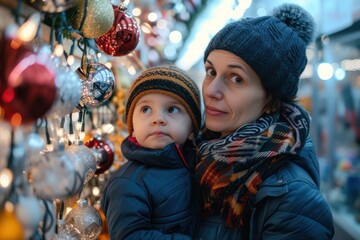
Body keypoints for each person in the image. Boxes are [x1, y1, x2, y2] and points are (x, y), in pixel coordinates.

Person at [194, 3, 334, 240]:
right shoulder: (198, 149)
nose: (211, 91)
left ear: (271, 99)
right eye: (211, 72)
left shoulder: (291, 200)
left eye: (236, 78)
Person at [101, 66, 201, 240]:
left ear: (192, 127)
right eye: (146, 109)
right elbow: (129, 236)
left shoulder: (199, 163)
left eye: (171, 109)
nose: (158, 119)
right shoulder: (128, 183)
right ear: (132, 126)